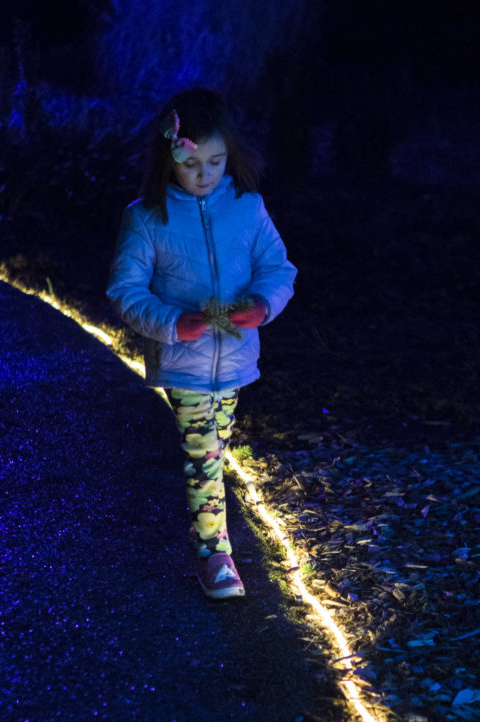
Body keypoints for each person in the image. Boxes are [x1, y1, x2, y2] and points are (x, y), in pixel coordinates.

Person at [107, 86, 297, 600]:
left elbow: (277, 268)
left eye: (216, 161)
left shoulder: (247, 208)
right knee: (204, 450)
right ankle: (216, 553)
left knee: (217, 442)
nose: (205, 174)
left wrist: (263, 303)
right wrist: (174, 323)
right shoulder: (147, 219)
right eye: (192, 164)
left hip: (235, 357)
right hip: (183, 361)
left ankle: (204, 527)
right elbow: (125, 290)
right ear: (168, 159)